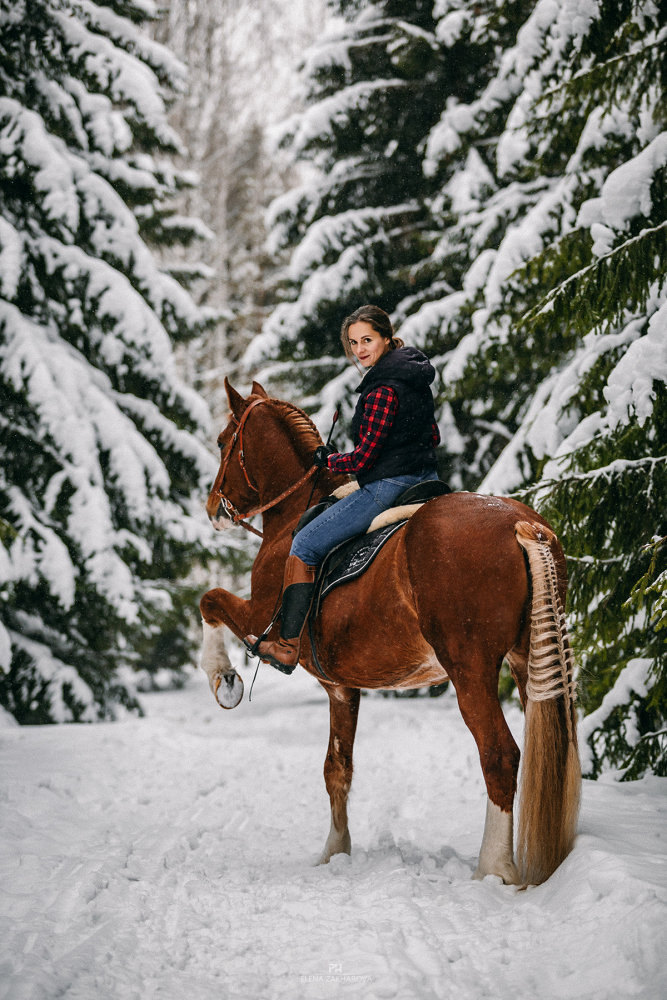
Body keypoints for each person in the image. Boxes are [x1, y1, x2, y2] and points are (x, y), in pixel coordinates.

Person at [245, 304, 441, 673]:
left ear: (386, 336)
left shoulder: (383, 387)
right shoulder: (414, 376)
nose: (360, 350)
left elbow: (365, 459)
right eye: (353, 343)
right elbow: (433, 435)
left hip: (387, 488)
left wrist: (329, 461)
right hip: (425, 480)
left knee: (304, 544)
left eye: (367, 340)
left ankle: (288, 645)